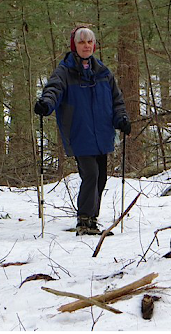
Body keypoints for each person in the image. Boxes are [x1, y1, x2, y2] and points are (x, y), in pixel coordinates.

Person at [34, 26, 131, 235]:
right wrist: (45, 104)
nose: (86, 46)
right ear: (74, 45)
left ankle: (91, 220)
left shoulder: (103, 72)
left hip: (103, 132)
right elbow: (53, 90)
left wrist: (121, 119)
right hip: (79, 131)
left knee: (101, 176)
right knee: (91, 174)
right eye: (81, 42)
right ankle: (84, 220)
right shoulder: (65, 71)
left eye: (89, 42)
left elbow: (117, 100)